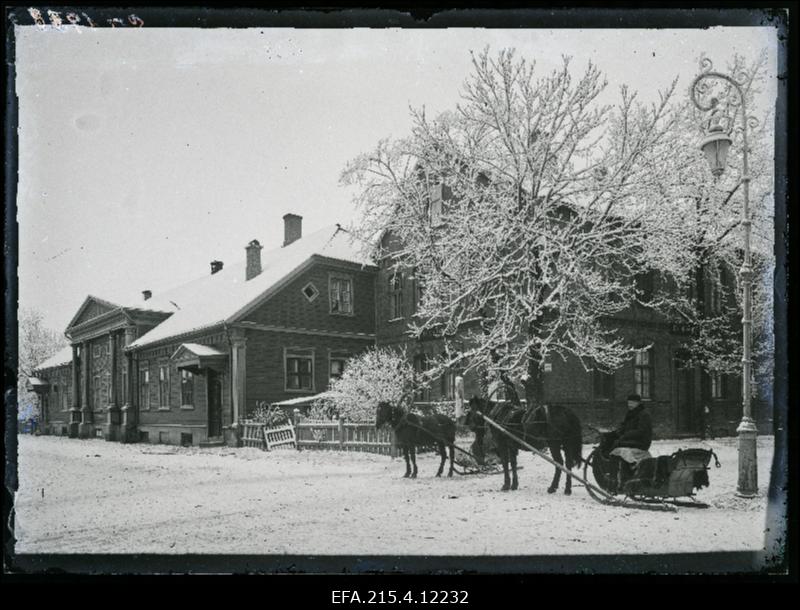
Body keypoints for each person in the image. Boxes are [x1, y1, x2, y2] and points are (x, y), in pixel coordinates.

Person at [609, 394, 653, 493]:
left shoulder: (643, 415)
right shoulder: (631, 413)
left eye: (632, 403)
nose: (630, 405)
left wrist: (625, 435)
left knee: (615, 451)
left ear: (638, 403)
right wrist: (617, 432)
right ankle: (623, 478)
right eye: (629, 403)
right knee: (617, 443)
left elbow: (641, 431)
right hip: (633, 440)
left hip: (641, 442)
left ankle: (615, 483)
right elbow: (625, 426)